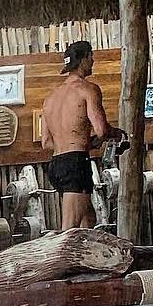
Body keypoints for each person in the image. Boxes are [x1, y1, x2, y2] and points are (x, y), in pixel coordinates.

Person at [41, 40, 123, 229]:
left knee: (88, 220)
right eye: (91, 56)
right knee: (69, 231)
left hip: (56, 165)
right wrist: (115, 133)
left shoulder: (50, 97)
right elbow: (101, 130)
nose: (93, 60)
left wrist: (81, 143)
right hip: (75, 164)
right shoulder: (89, 89)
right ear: (83, 59)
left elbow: (46, 142)